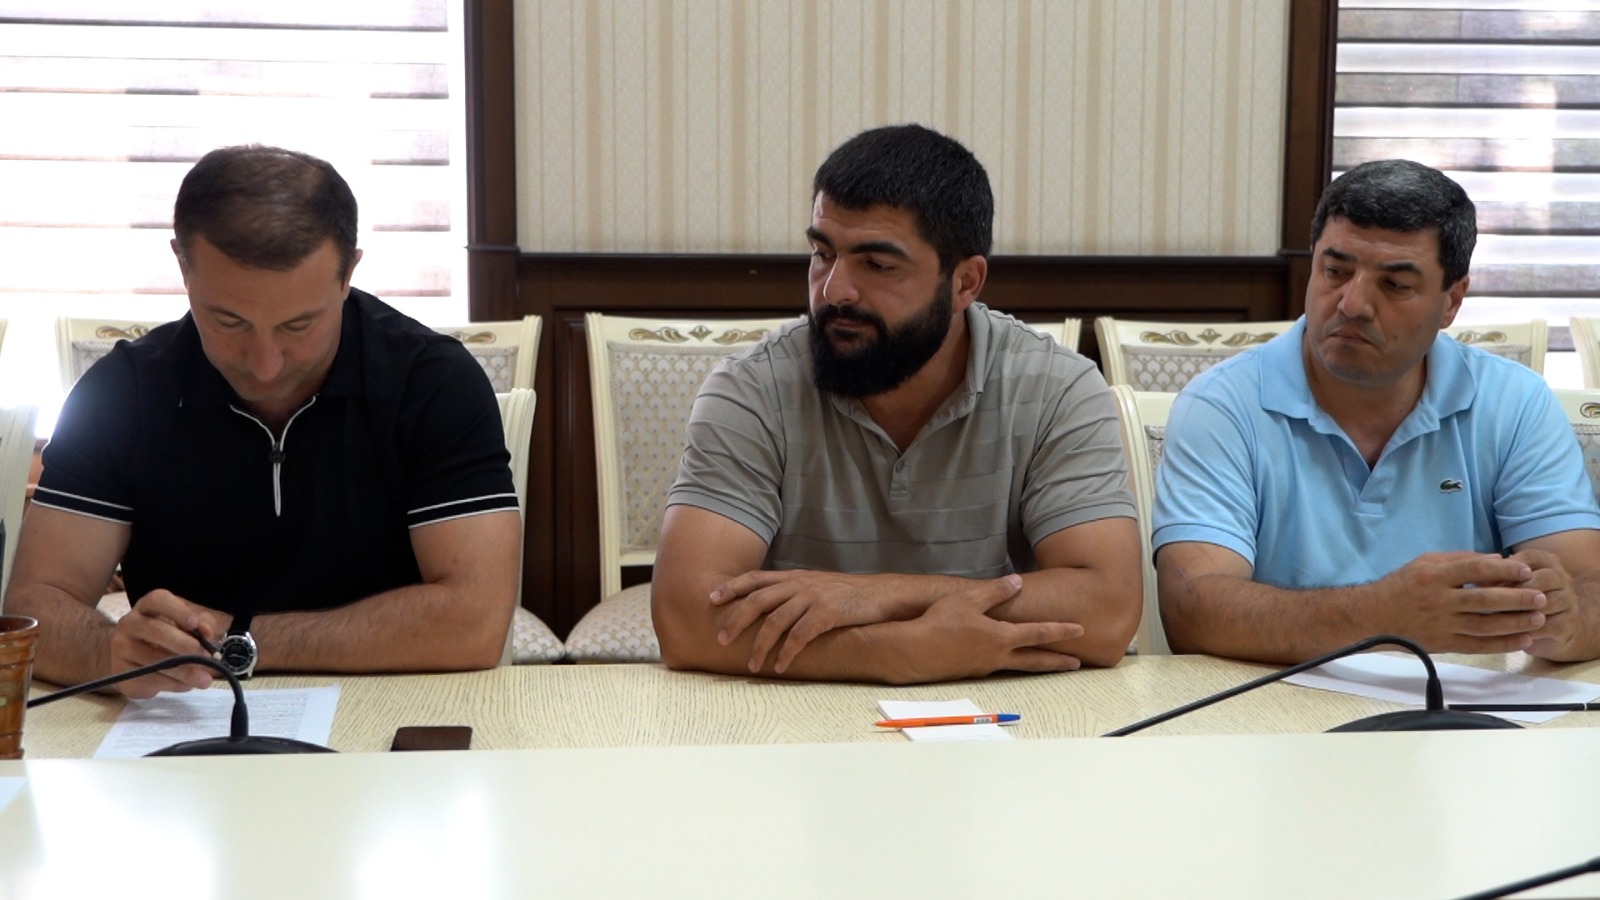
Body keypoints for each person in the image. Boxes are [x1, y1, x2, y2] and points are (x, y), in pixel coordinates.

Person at [7, 145, 523, 698]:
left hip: (399, 706)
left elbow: (474, 622)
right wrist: (109, 652)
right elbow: (34, 609)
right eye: (228, 321)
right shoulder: (121, 393)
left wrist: (237, 640)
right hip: (185, 714)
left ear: (348, 273)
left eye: (299, 325)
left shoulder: (432, 383)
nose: (265, 364)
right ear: (183, 266)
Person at [651, 124, 1141, 684]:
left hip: (1006, 717)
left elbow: (1108, 612)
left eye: (878, 265)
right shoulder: (752, 389)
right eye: (823, 254)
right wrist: (890, 654)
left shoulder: (1057, 388)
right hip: (793, 714)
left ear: (965, 283)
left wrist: (882, 594)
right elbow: (685, 619)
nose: (834, 290)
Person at [1153, 159, 1600, 664]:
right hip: (1274, 705)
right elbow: (1193, 609)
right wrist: (1382, 615)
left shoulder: (1513, 402)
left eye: (1395, 284)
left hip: (1462, 705)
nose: (1353, 304)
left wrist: (1567, 620)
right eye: (1336, 272)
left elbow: (1588, 584)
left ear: (1452, 301)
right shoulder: (1223, 404)